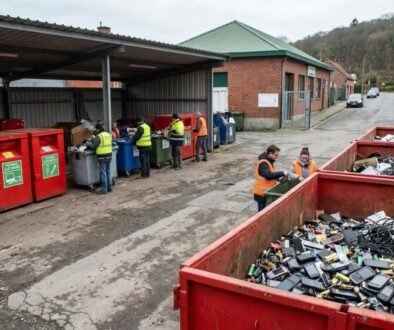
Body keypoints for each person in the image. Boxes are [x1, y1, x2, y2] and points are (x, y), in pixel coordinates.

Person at [253, 144, 288, 212]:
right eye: (276, 155)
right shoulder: (263, 163)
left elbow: (268, 175)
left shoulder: (268, 161)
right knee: (262, 215)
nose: (277, 157)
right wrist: (282, 173)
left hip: (265, 194)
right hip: (262, 195)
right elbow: (268, 175)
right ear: (270, 153)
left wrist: (277, 178)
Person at [88, 123, 113, 194]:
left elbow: (93, 146)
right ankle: (109, 187)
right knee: (108, 171)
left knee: (103, 172)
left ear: (97, 129)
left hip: (102, 156)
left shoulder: (99, 136)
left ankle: (104, 189)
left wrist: (89, 145)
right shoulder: (108, 134)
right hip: (109, 155)